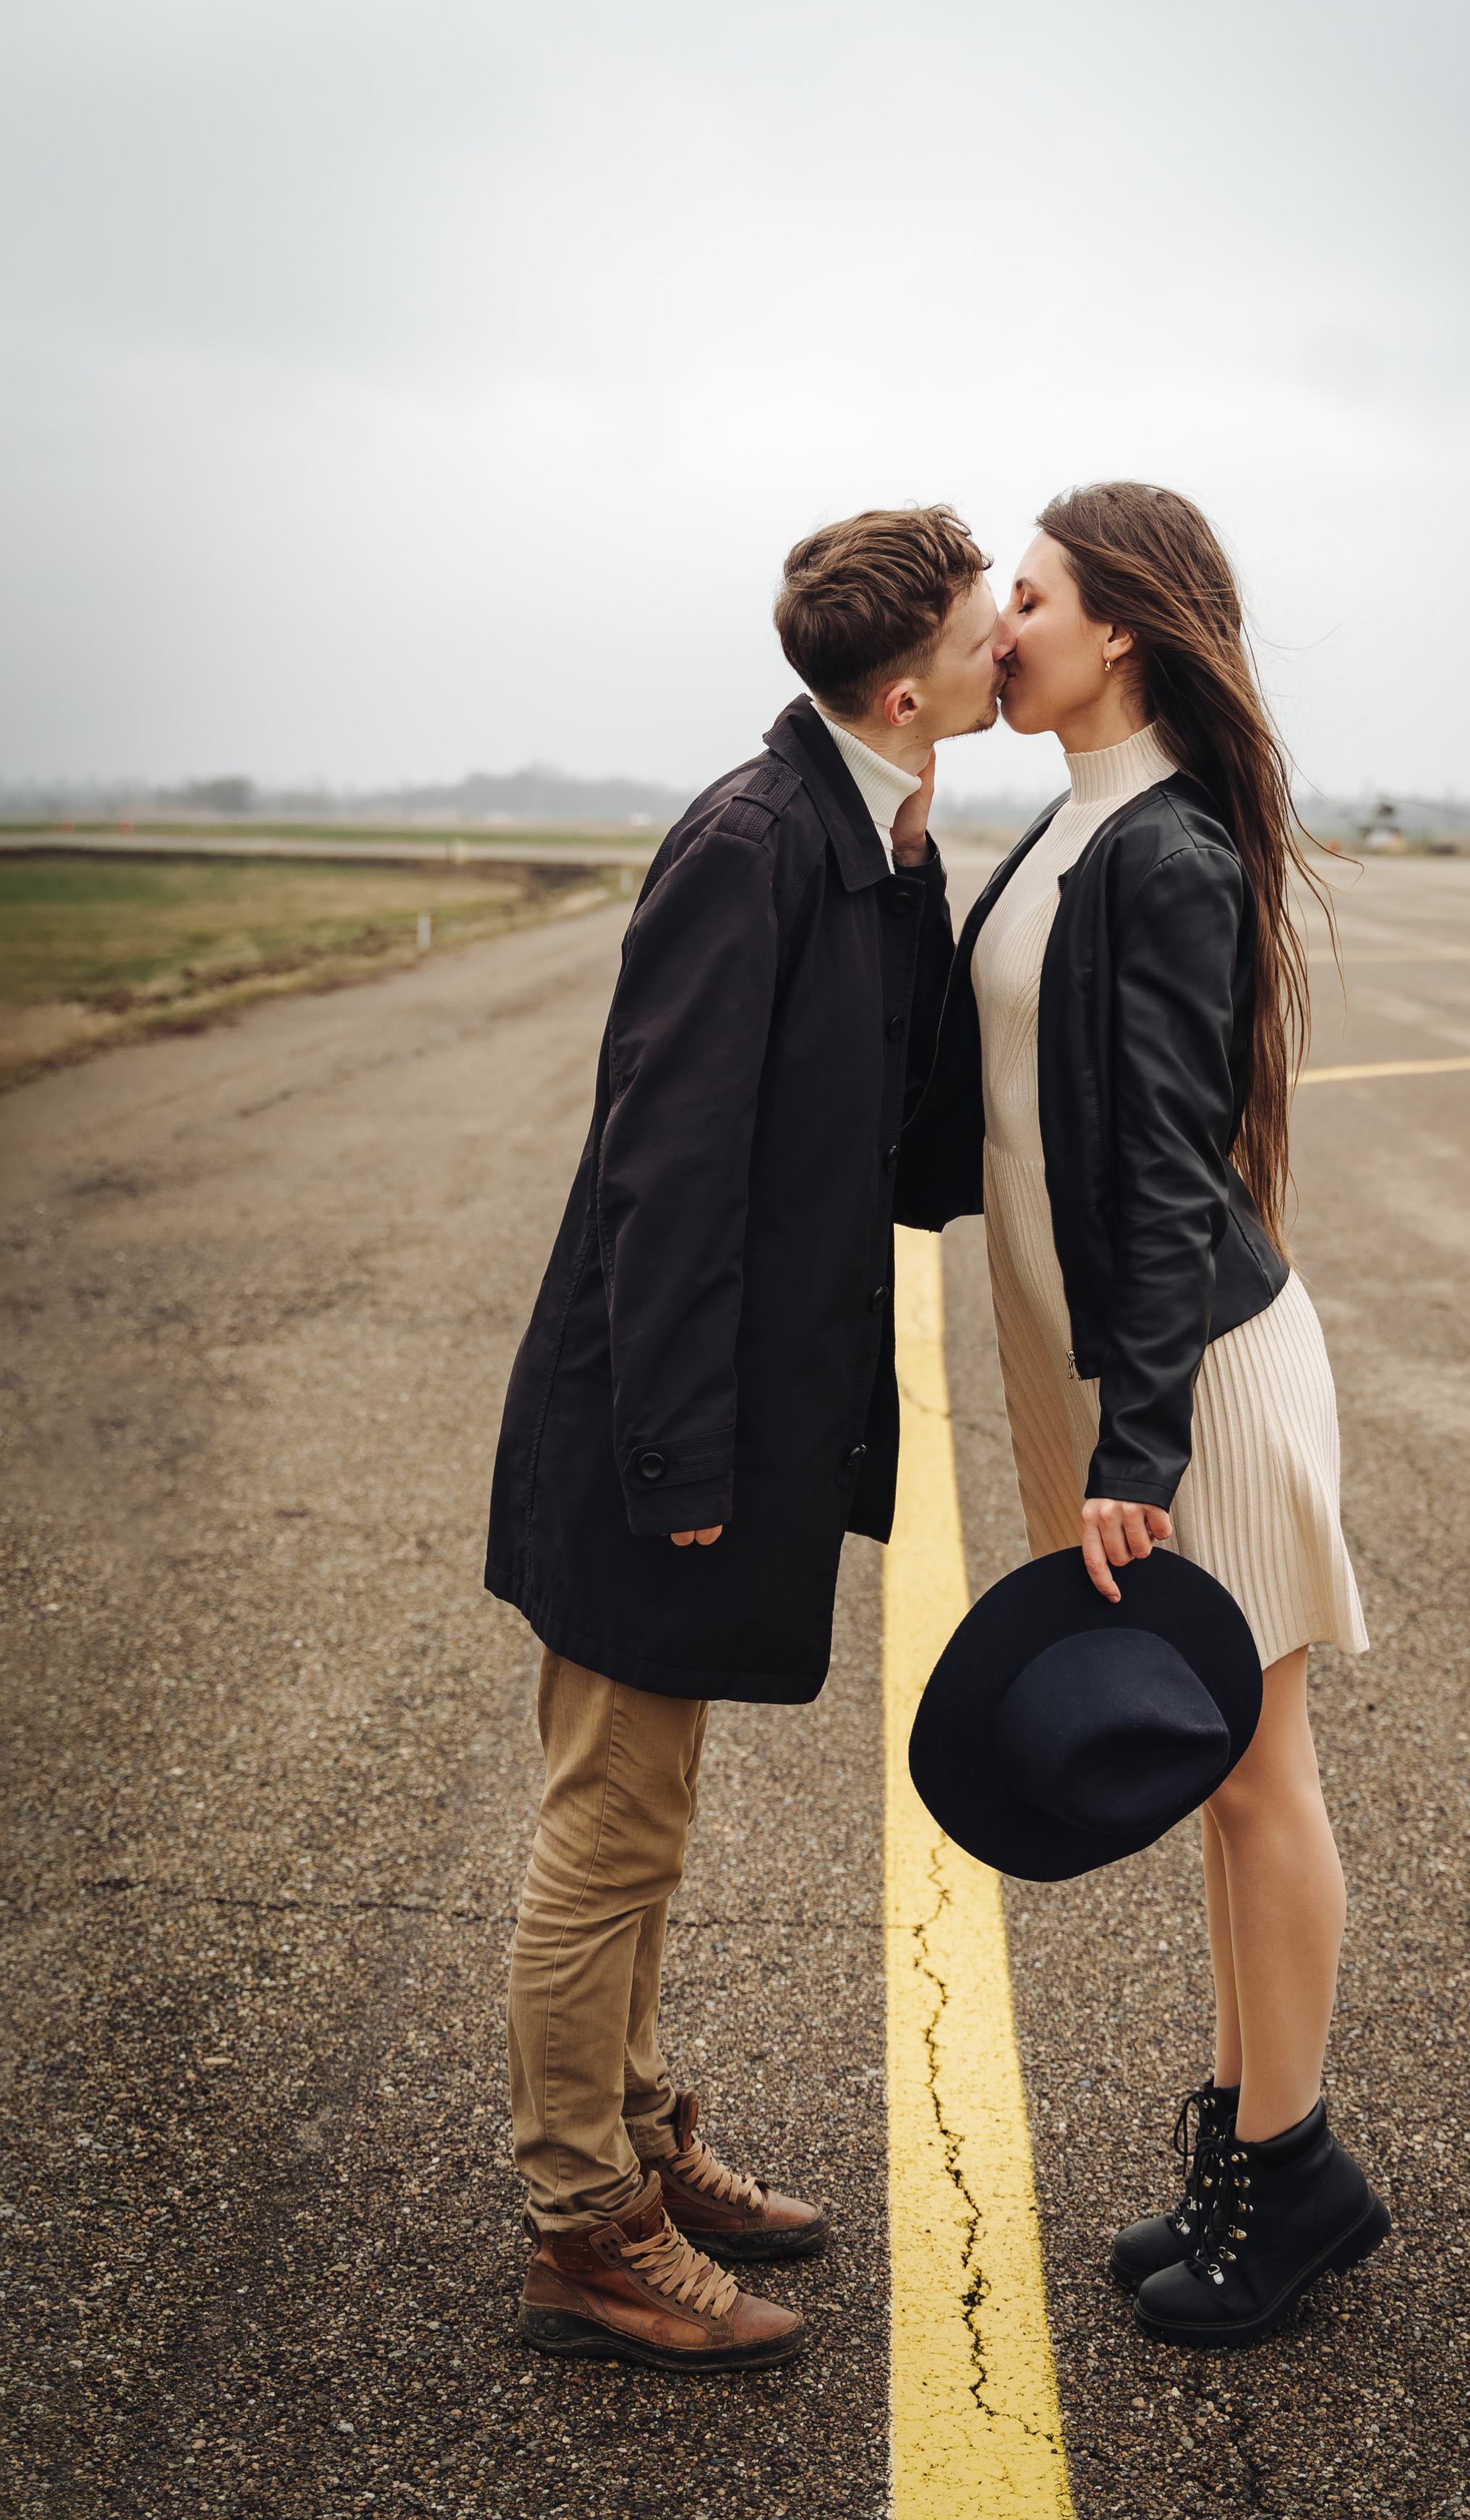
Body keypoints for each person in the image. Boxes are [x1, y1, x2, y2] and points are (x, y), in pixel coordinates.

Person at [484, 505, 1004, 2370]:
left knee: (648, 1813)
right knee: (608, 1825)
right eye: (978, 618)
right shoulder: (752, 842)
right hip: (653, 1423)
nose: (1005, 634)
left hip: (698, 1424)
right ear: (902, 682)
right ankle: (584, 2228)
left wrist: (927, 864)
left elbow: (898, 1110)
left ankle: (629, 2132)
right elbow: (668, 1171)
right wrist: (677, 1464)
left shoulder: (862, 833)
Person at [896, 481, 1388, 2349]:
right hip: (1100, 1374)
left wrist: (1138, 1459)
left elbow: (1175, 1173)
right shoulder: (1068, 827)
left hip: (1190, 1388)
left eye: (1027, 592)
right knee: (1212, 1777)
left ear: (1120, 632)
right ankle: (1259, 2148)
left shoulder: (1165, 852)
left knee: (1256, 1778)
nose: (998, 620)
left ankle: (1294, 2174)